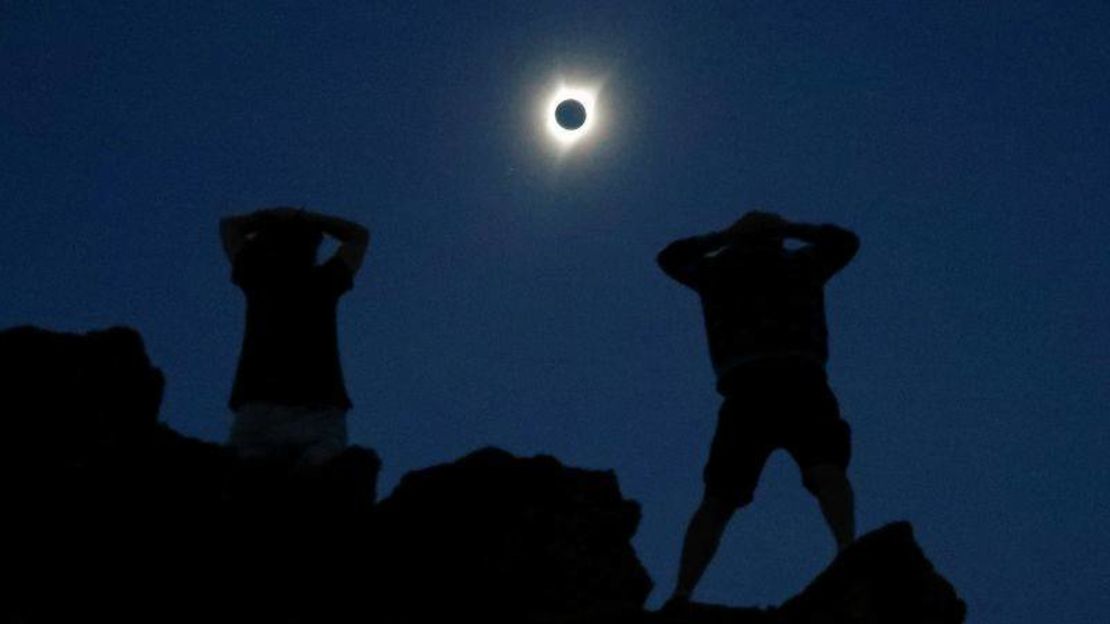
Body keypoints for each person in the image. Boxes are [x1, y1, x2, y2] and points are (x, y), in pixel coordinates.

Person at [658, 210, 860, 608]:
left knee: (720, 497)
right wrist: (791, 227)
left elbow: (670, 257)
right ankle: (848, 550)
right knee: (823, 471)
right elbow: (845, 242)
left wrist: (723, 235)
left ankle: (683, 592)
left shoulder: (719, 272)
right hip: (793, 381)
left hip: (752, 388)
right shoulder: (799, 264)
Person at [220, 207, 369, 465]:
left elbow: (230, 226)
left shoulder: (258, 277)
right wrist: (313, 218)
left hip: (261, 409)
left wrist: (274, 216)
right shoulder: (324, 281)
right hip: (317, 411)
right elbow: (358, 235)